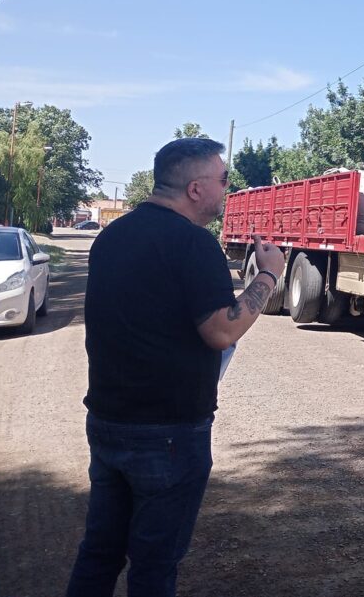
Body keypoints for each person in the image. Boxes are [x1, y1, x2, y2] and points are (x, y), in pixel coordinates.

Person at [65, 137, 285, 597]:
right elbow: (221, 331)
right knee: (154, 566)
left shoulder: (112, 237)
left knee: (100, 552)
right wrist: (267, 275)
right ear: (195, 188)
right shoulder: (193, 244)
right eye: (223, 180)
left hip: (107, 419)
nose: (228, 189)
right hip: (167, 433)